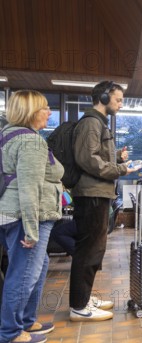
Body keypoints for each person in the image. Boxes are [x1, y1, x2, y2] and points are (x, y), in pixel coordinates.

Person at [68, 81, 136, 322]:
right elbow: (88, 160)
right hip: (91, 194)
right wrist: (119, 168)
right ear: (104, 97)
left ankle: (83, 298)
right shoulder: (91, 123)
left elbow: (95, 155)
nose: (120, 103)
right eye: (118, 99)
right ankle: (78, 306)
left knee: (95, 249)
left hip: (98, 193)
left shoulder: (97, 123)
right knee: (88, 251)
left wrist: (117, 156)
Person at [0, 90, 64, 343]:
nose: (49, 112)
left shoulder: (8, 135)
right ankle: (10, 332)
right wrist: (31, 229)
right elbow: (29, 188)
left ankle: (26, 321)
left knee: (37, 267)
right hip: (28, 216)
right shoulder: (31, 141)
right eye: (45, 108)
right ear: (31, 112)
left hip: (11, 213)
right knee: (23, 274)